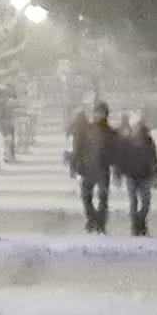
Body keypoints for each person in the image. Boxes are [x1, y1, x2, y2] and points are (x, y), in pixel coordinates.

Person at [69, 100, 117, 234]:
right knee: (86, 197)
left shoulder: (110, 132)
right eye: (97, 112)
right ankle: (92, 219)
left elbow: (117, 151)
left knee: (103, 197)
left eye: (101, 113)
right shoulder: (86, 130)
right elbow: (78, 148)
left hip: (103, 169)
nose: (99, 115)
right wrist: (75, 164)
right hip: (88, 168)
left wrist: (116, 165)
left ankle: (100, 222)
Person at [117, 113, 157, 236]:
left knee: (146, 202)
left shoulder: (148, 141)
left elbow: (154, 158)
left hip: (145, 175)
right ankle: (136, 225)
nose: (138, 129)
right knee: (134, 201)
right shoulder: (127, 141)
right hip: (131, 175)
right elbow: (121, 158)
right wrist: (119, 172)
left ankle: (140, 221)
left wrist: (156, 174)